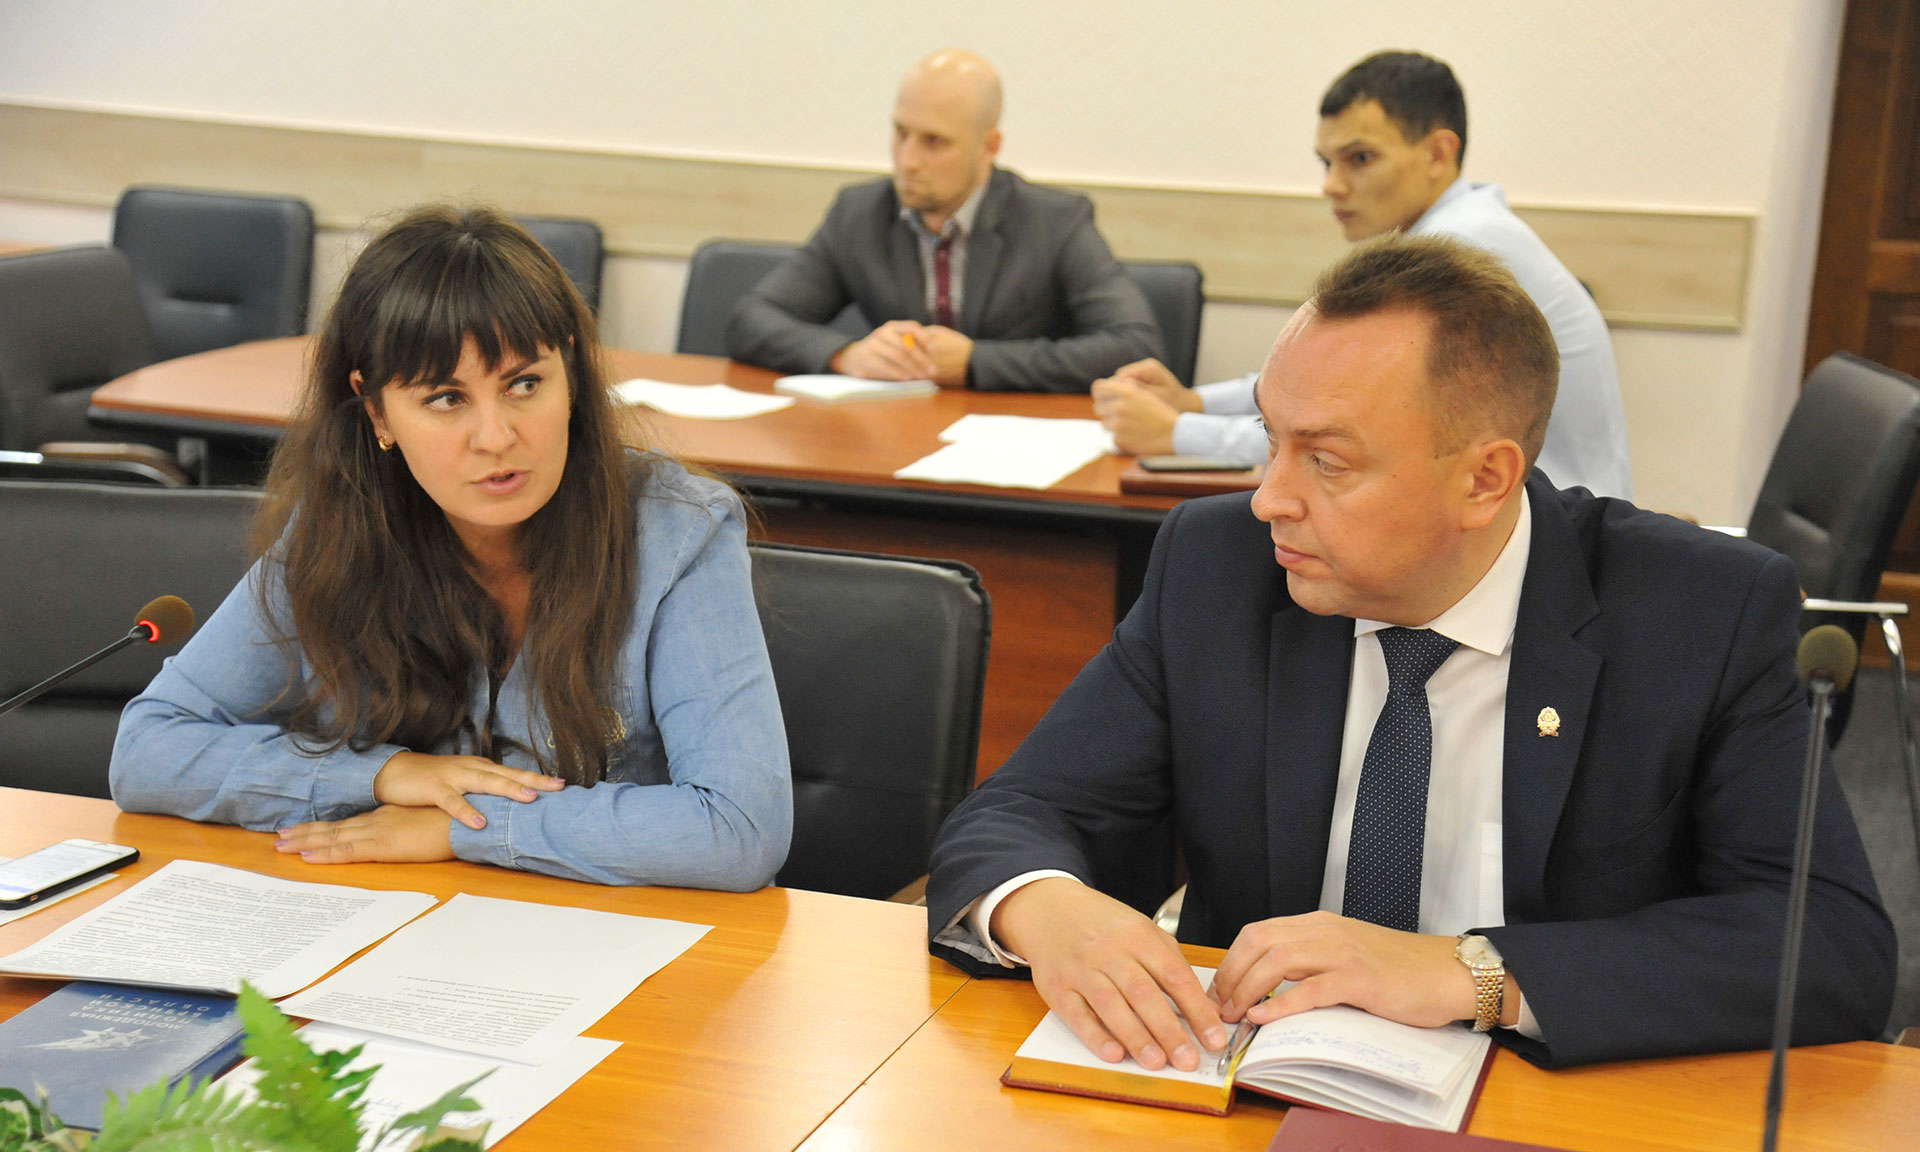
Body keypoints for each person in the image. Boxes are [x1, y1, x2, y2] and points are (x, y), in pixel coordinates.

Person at [927, 234, 1893, 1071]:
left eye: (1327, 461)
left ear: (1485, 481)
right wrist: (1047, 908)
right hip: (1260, 1094)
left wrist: (1473, 973)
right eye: (1270, 439)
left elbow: (1830, 943)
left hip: (1551, 1104)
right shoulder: (1218, 568)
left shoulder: (1700, 612)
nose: (1269, 497)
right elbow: (1020, 812)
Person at [110, 206, 793, 890]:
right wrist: (384, 774)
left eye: (525, 384)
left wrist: (464, 828)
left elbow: (739, 829)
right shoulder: (339, 528)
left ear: (572, 376)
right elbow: (149, 747)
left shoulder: (679, 531)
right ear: (376, 411)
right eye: (445, 399)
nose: (496, 437)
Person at [1094, 50, 1635, 499]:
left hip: (1548, 529)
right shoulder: (1465, 224)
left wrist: (1178, 432)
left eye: (1359, 159)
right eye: (1326, 162)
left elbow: (1347, 434)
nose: (1331, 185)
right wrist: (1194, 404)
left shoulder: (1461, 248)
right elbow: (1319, 391)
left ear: (1438, 153)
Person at [726, 49, 1161, 393]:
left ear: (988, 147)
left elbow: (1135, 345)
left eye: (934, 142)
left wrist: (976, 362)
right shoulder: (860, 214)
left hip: (1015, 444)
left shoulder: (1055, 222)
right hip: (892, 437)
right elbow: (752, 319)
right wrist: (846, 354)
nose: (907, 161)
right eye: (901, 133)